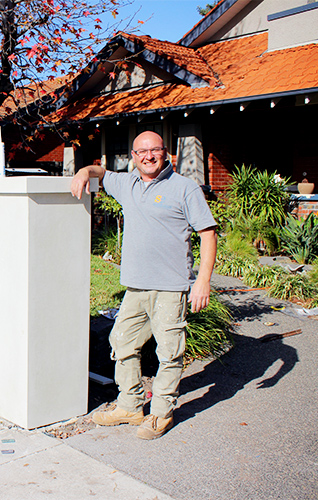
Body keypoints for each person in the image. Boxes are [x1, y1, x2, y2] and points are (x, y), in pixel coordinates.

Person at [71, 131, 217, 440]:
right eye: (141, 151)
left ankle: (161, 412)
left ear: (166, 153)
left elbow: (207, 233)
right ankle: (130, 404)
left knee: (169, 353)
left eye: (154, 150)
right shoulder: (128, 184)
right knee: (121, 342)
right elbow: (101, 172)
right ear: (133, 156)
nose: (148, 156)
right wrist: (85, 170)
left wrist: (202, 280)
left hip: (170, 288)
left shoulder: (185, 188)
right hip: (135, 288)